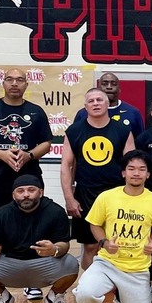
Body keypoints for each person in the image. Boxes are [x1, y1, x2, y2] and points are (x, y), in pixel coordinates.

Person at [0, 68, 52, 303]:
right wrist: (1, 155)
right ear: (2, 83)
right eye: (10, 79)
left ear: (27, 85)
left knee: (33, 229)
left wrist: (29, 155)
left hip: (28, 180)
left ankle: (32, 282)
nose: (14, 83)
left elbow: (46, 143)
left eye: (20, 80)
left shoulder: (36, 112)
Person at [74, 150, 152, 303]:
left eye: (142, 169)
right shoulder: (107, 197)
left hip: (137, 268)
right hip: (107, 263)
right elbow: (94, 224)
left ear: (148, 174)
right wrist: (104, 242)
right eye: (131, 168)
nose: (136, 173)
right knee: (85, 291)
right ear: (123, 172)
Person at [0, 175, 78, 303]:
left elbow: (64, 244)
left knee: (71, 264)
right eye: (20, 191)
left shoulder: (55, 212)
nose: (26, 194)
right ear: (14, 195)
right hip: (10, 264)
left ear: (41, 192)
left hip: (44, 264)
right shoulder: (2, 214)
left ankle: (56, 297)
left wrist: (54, 249)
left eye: (31, 190)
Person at [61, 88, 135, 270]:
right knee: (91, 245)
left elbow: (132, 167)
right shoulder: (74, 130)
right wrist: (69, 198)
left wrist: (131, 198)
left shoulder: (123, 130)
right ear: (85, 106)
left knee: (118, 244)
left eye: (99, 100)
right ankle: (90, 288)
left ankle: (116, 291)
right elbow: (66, 166)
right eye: (91, 101)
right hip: (86, 193)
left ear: (107, 104)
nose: (95, 103)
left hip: (117, 194)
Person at [74, 72, 144, 137]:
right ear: (98, 88)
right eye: (104, 84)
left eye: (113, 84)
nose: (109, 87)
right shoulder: (83, 113)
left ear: (119, 89)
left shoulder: (133, 113)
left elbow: (140, 142)